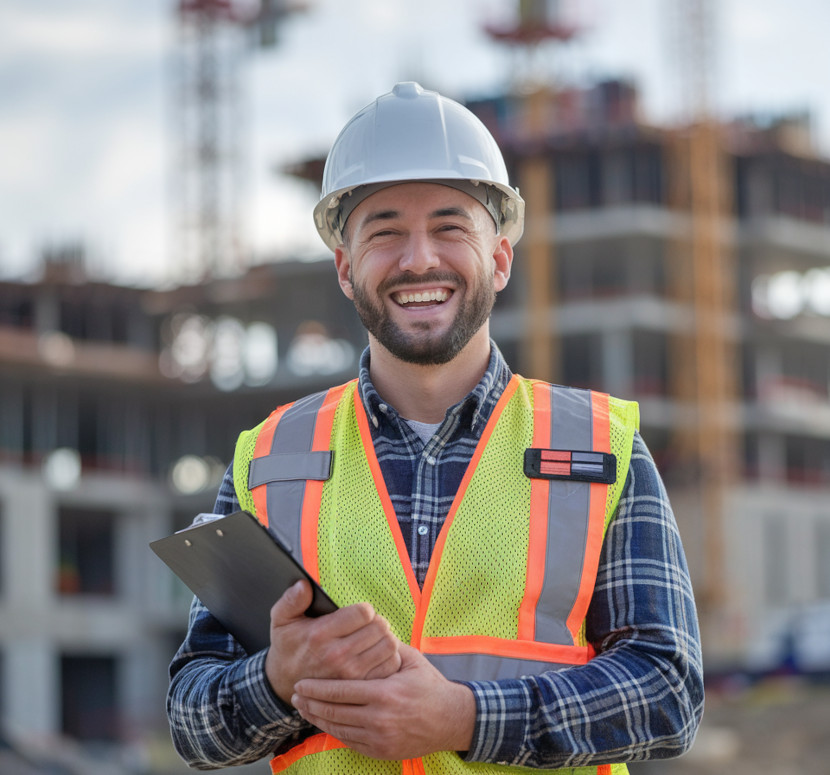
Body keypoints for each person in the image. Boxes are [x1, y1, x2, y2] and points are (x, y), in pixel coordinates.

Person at [167, 82, 704, 774]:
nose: (419, 259)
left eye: (450, 227)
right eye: (385, 231)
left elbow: (669, 693)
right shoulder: (270, 458)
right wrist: (275, 678)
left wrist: (462, 716)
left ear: (500, 258)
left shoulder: (601, 449)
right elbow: (191, 719)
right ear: (345, 268)